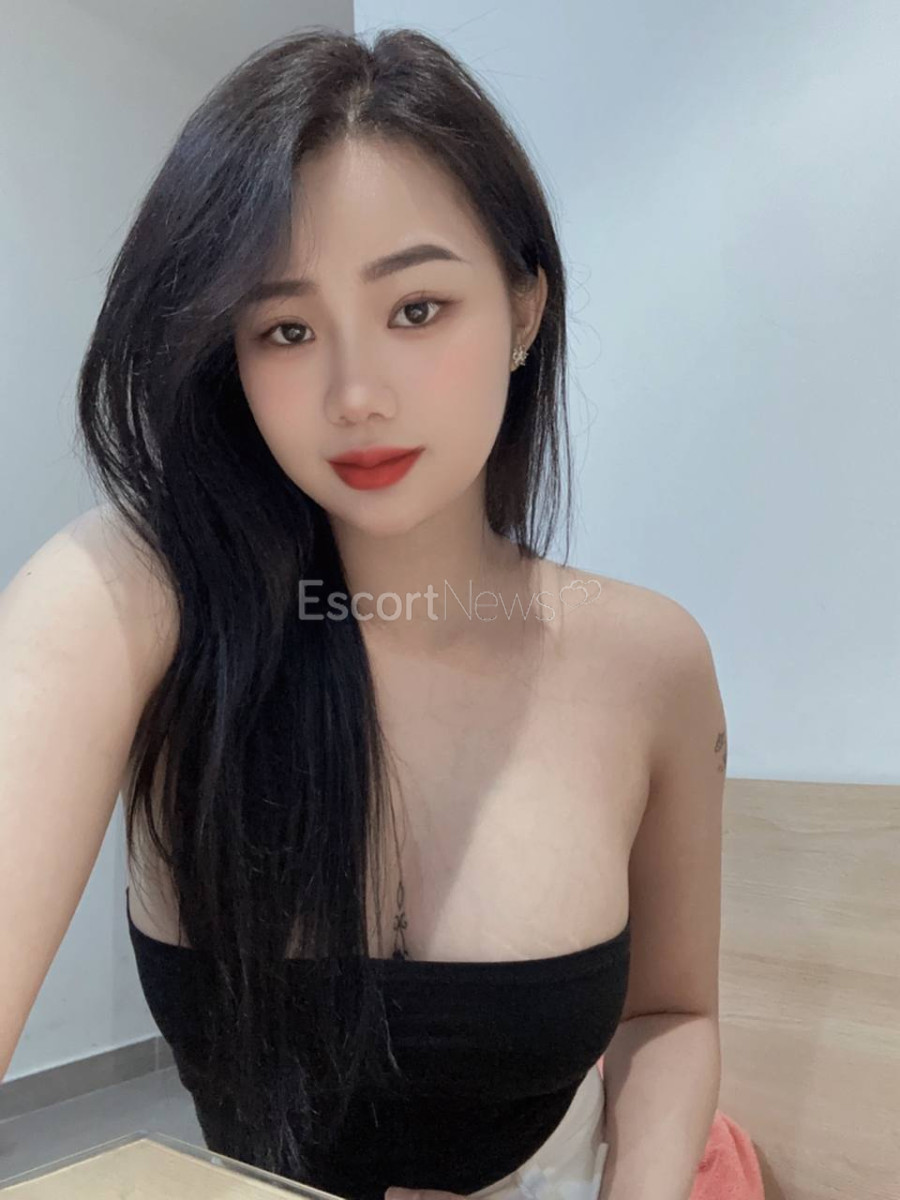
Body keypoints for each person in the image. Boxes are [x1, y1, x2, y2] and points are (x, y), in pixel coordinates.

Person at [0, 26, 727, 1200]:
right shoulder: (133, 601)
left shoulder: (650, 663)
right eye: (285, 330)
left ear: (525, 309)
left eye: (418, 308)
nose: (354, 395)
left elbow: (673, 1012)